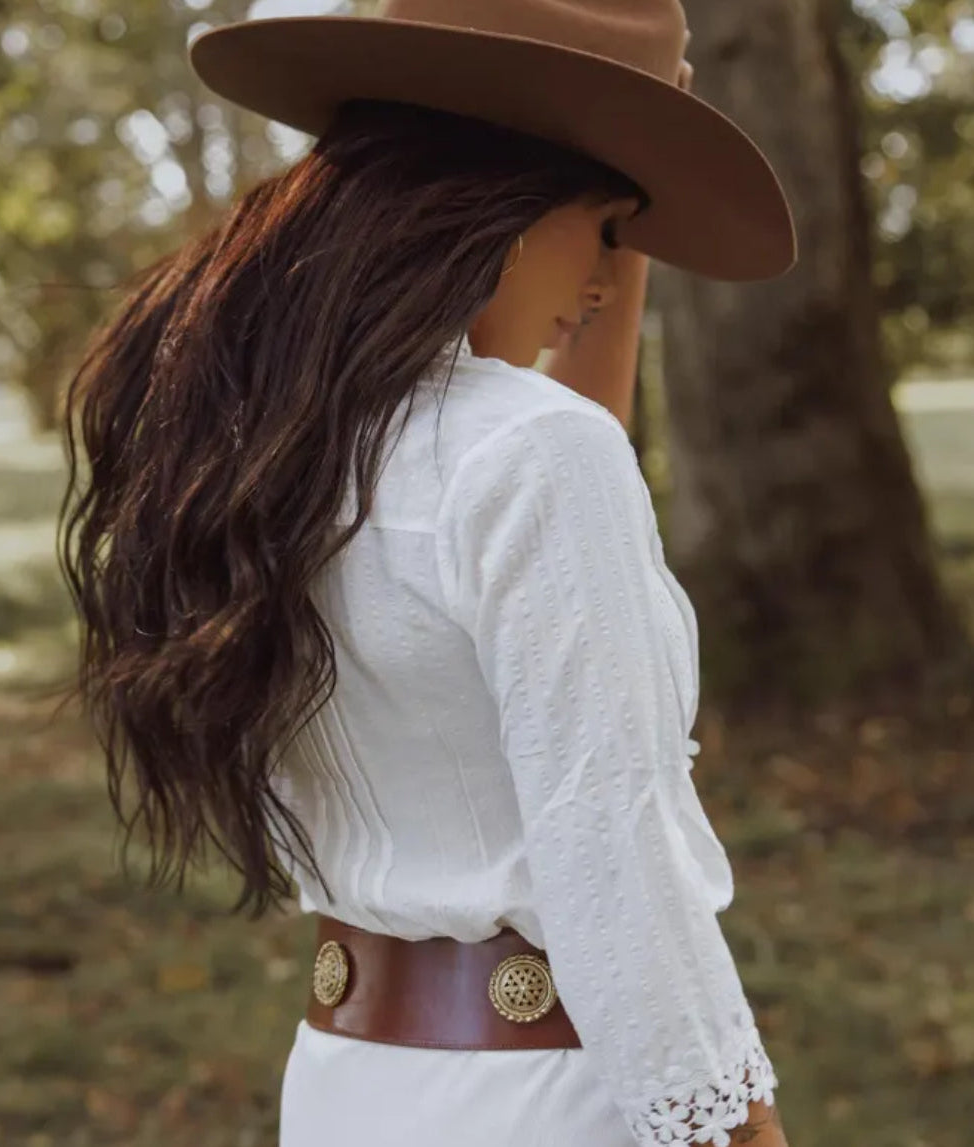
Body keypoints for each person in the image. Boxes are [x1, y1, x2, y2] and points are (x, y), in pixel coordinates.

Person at [57, 1, 798, 1144]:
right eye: (604, 229)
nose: (605, 281)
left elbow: (539, 477)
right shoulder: (526, 455)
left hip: (351, 1085)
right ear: (495, 205)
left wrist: (616, 181)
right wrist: (738, 1134)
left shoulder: (272, 446)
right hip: (551, 1098)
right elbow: (614, 861)